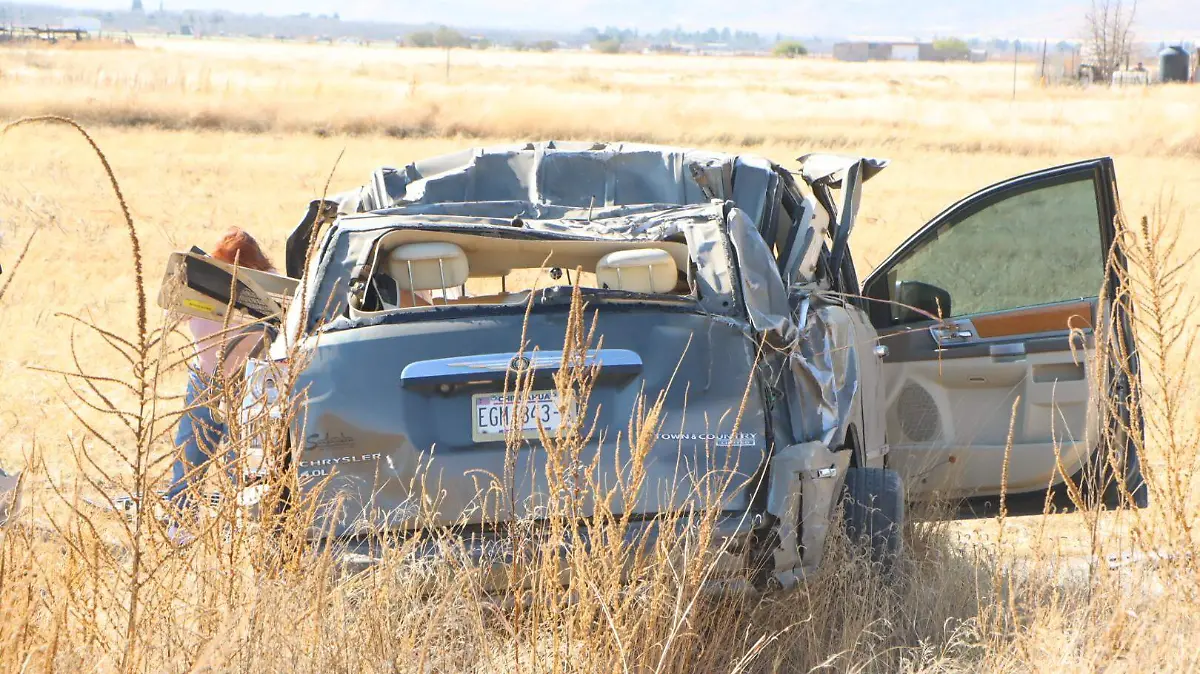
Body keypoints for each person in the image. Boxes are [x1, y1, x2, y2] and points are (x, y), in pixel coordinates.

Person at [165, 228, 276, 538]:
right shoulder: (203, 282)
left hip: (249, 384)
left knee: (238, 462)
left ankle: (237, 531)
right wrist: (179, 289)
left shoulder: (273, 288)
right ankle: (181, 526)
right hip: (205, 380)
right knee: (190, 456)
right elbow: (173, 315)